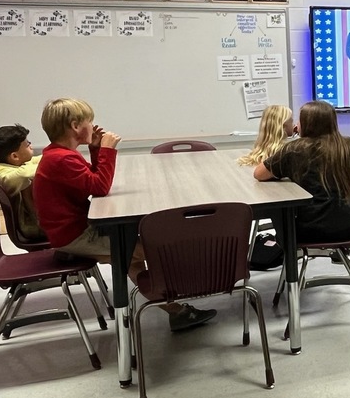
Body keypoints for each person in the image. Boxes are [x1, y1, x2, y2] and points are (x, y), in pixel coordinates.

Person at [32, 98, 215, 332]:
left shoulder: (60, 154)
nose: (93, 125)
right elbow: (100, 186)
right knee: (151, 249)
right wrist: (108, 149)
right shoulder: (62, 159)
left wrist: (95, 148)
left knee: (132, 257)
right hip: (75, 236)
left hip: (72, 229)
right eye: (90, 121)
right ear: (76, 125)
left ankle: (174, 309)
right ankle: (179, 297)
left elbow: (92, 179)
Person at [253, 100, 350, 242]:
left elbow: (259, 174)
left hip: (308, 230)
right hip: (348, 227)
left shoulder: (293, 149)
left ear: (306, 124)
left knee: (278, 209)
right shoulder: (346, 145)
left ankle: (285, 254)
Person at [0, 123, 44, 241]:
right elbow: (22, 174)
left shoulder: (18, 164)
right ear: (15, 156)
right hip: (33, 227)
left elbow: (43, 158)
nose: (31, 146)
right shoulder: (0, 172)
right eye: (27, 145)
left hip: (37, 222)